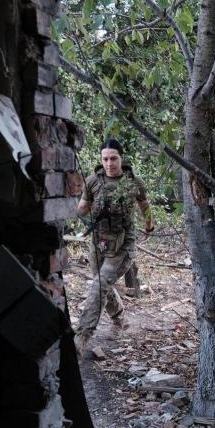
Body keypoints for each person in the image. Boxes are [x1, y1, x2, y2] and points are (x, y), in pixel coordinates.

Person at [75, 138, 153, 352]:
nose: (109, 163)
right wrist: (71, 214)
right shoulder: (92, 181)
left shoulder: (134, 182)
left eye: (113, 158)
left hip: (122, 245)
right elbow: (82, 209)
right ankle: (121, 319)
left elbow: (144, 205)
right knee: (102, 284)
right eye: (105, 159)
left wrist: (149, 225)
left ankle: (81, 336)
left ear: (121, 158)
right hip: (98, 242)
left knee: (99, 286)